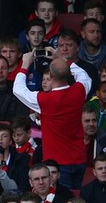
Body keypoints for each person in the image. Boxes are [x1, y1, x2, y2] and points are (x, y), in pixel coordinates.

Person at [12, 49, 91, 190]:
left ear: (51, 77)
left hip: (57, 163)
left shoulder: (44, 100)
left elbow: (18, 90)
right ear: (68, 75)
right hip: (80, 158)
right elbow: (84, 76)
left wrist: (25, 65)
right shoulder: (79, 91)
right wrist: (64, 60)